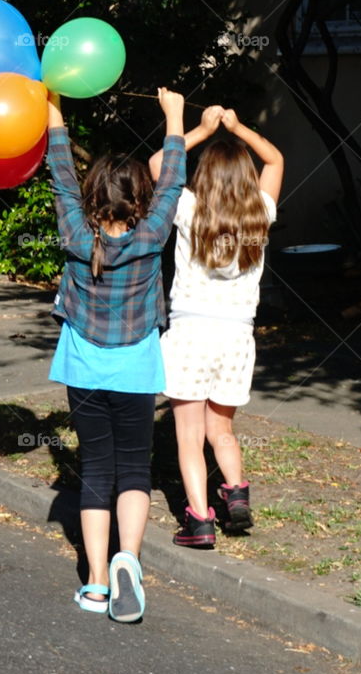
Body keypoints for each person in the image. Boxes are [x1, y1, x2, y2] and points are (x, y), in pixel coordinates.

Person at [46, 87, 185, 621]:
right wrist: (173, 117)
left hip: (84, 368)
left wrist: (52, 102)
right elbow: (172, 180)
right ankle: (129, 558)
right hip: (135, 370)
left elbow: (59, 168)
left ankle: (98, 583)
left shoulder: (76, 233)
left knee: (95, 472)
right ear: (140, 198)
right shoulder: (152, 235)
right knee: (135, 471)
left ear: (91, 194)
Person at [149, 106, 283, 549]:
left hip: (190, 335)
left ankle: (200, 521)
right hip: (237, 339)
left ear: (203, 176)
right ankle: (237, 495)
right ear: (245, 178)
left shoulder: (188, 208)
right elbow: (276, 161)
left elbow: (156, 166)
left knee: (188, 439)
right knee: (220, 429)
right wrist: (238, 127)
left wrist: (203, 130)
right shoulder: (260, 213)